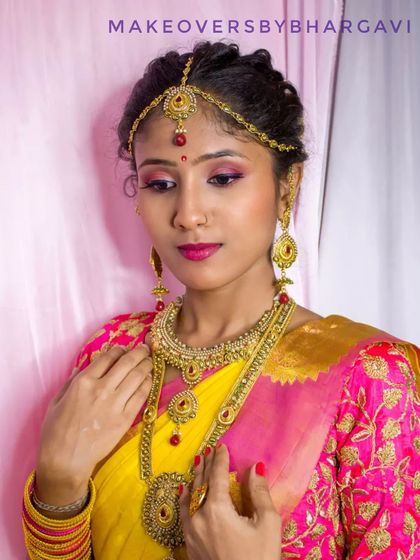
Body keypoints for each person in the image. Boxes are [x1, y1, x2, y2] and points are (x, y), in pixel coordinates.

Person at [22, 41, 419, 560]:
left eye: (223, 177)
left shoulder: (370, 380)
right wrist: (58, 482)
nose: (188, 213)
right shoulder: (113, 354)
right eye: (161, 182)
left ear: (287, 187)